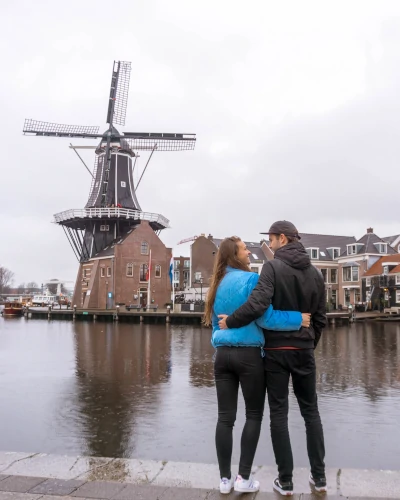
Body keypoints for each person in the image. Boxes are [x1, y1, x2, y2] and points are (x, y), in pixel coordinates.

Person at [218, 221, 327, 496]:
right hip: (304, 351)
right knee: (311, 413)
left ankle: (286, 482)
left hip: (276, 353)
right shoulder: (315, 273)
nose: (270, 244)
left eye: (271, 239)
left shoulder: (272, 268)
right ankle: (320, 477)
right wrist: (308, 344)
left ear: (282, 238)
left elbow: (257, 306)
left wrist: (230, 322)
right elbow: (321, 319)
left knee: (278, 415)